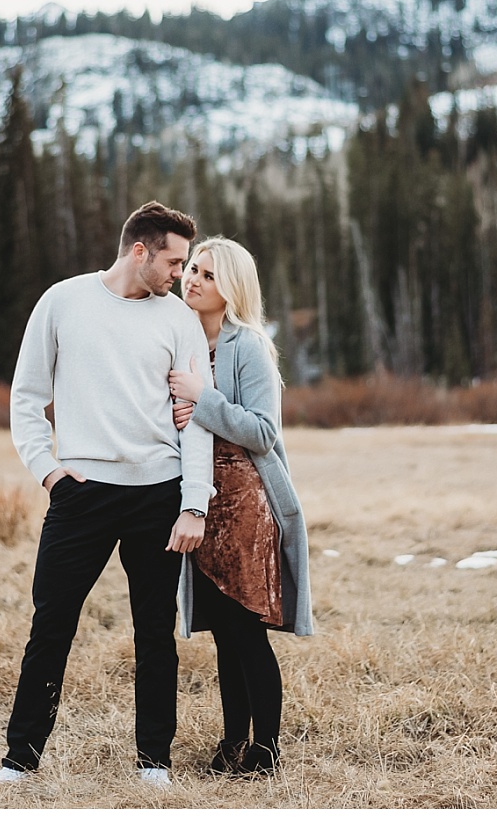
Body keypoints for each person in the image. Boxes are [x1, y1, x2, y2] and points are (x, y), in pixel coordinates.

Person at [0, 201, 214, 788]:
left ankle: (154, 761)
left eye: (185, 264)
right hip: (81, 496)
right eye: (172, 261)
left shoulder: (177, 319)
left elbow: (198, 420)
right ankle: (20, 757)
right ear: (138, 251)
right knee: (52, 623)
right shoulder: (63, 302)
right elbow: (26, 396)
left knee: (154, 632)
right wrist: (49, 472)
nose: (180, 276)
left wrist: (194, 502)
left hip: (159, 495)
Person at [167, 237, 313, 778]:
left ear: (229, 287)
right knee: (224, 631)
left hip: (247, 503)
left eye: (205, 274)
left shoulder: (247, 345)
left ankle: (266, 749)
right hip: (199, 499)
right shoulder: (178, 338)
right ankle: (232, 743)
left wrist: (200, 398)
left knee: (245, 629)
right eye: (191, 270)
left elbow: (264, 431)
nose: (193, 279)